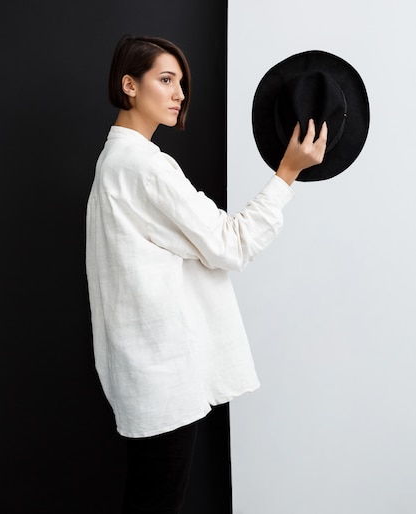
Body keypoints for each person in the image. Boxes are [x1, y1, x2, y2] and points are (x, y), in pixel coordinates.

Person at [85, 34, 327, 514]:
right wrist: (287, 173)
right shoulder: (145, 167)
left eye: (182, 83)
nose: (179, 94)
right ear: (129, 85)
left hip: (143, 373)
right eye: (166, 79)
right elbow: (231, 243)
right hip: (163, 375)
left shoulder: (113, 163)